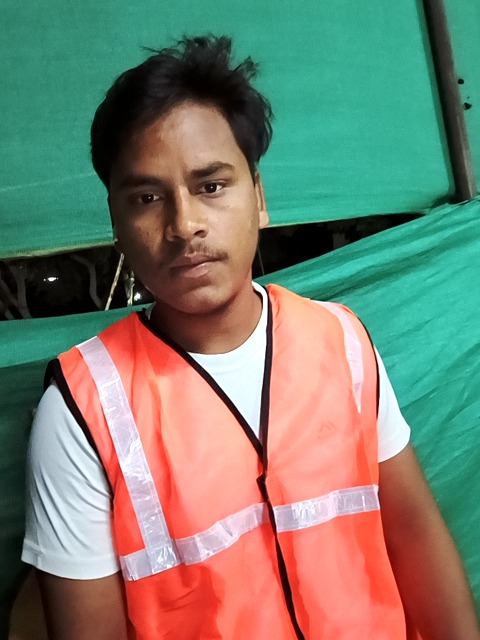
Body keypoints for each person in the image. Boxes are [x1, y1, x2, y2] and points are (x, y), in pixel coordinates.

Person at [22, 35, 479, 640]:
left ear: (259, 198)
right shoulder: (81, 412)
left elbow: (414, 533)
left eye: (211, 186)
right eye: (147, 198)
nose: (184, 225)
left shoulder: (341, 340)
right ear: (117, 223)